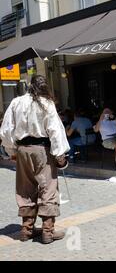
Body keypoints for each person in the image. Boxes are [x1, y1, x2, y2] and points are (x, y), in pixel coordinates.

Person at [0, 75, 69, 244]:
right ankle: (47, 232)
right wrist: (60, 156)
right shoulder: (47, 104)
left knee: (25, 189)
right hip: (42, 150)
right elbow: (55, 131)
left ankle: (26, 230)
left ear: (30, 86)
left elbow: (6, 129)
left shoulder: (16, 102)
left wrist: (11, 151)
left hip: (23, 150)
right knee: (48, 187)